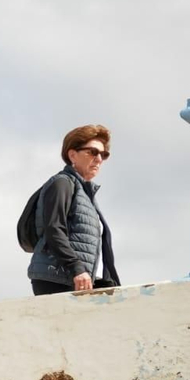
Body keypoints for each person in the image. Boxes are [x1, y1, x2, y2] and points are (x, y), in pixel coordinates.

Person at [28, 124, 120, 295]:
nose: (99, 159)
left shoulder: (85, 193)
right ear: (72, 155)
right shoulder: (62, 183)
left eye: (103, 154)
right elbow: (54, 228)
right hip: (59, 279)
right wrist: (76, 268)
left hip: (81, 280)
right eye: (92, 152)